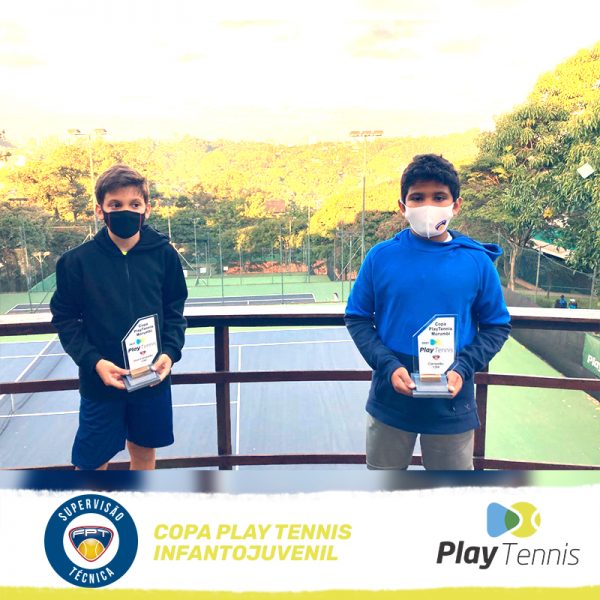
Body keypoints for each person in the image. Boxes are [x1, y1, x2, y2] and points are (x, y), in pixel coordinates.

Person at [344, 154, 511, 470]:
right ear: (402, 206)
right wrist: (388, 365)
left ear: (456, 205)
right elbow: (357, 317)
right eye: (418, 198)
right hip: (390, 398)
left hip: (452, 402)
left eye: (439, 197)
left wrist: (463, 368)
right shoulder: (380, 257)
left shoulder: (477, 262)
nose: (428, 206)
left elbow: (496, 326)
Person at [50, 164, 188, 470]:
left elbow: (174, 311)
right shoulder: (76, 262)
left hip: (150, 378)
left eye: (134, 204)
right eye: (115, 204)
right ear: (100, 210)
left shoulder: (164, 255)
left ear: (147, 209)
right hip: (101, 383)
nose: (126, 211)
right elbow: (65, 318)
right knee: (91, 463)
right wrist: (94, 362)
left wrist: (169, 353)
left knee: (144, 454)